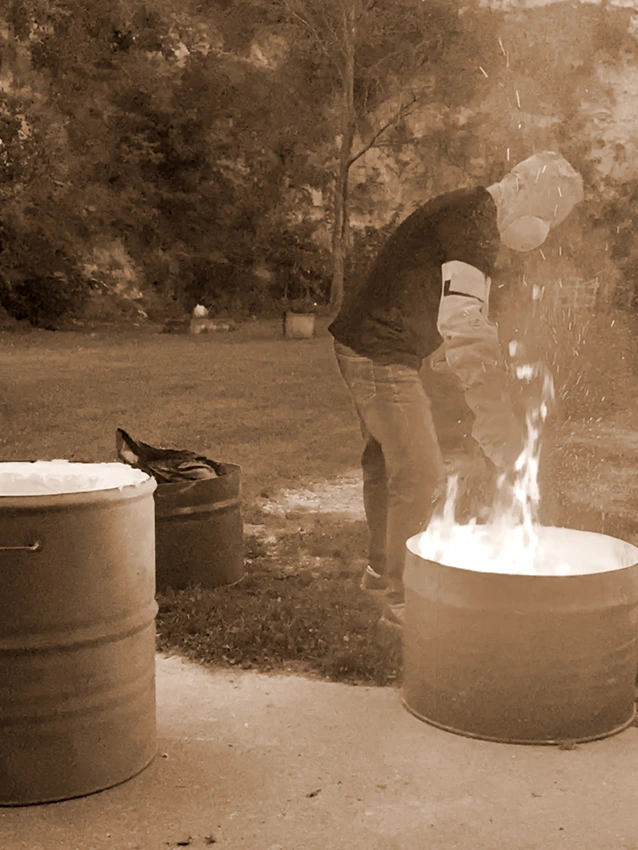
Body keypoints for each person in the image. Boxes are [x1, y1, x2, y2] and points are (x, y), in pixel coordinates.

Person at [329, 151, 584, 627]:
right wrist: (493, 416)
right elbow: (464, 321)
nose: (546, 227)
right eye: (549, 213)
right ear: (525, 186)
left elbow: (443, 304)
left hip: (371, 341)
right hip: (378, 351)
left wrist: (453, 353)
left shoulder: (468, 212)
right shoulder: (475, 222)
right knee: (420, 469)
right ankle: (402, 598)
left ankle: (378, 572)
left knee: (385, 460)